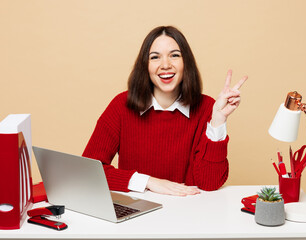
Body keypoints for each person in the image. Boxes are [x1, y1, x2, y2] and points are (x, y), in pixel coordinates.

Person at [82, 26, 247, 196]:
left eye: (174, 55)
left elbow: (210, 183)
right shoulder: (121, 105)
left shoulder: (207, 107)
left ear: (186, 62)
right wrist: (149, 182)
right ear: (145, 65)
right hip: (137, 214)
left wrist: (218, 120)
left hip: (190, 212)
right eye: (155, 57)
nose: (165, 65)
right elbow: (88, 172)